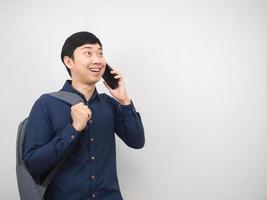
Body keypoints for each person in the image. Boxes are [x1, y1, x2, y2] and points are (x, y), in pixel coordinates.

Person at [23, 31, 145, 200]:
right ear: (69, 61)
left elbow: (137, 141)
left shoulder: (108, 104)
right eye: (88, 52)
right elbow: (33, 164)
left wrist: (124, 101)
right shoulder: (47, 104)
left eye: (100, 53)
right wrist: (73, 129)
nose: (97, 60)